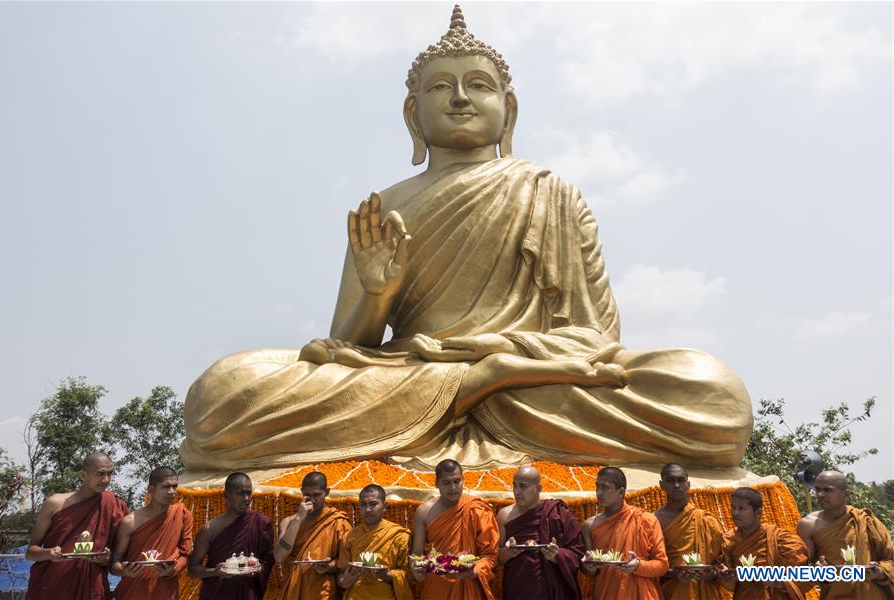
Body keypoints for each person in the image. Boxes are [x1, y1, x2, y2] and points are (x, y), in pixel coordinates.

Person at [180, 3, 752, 474]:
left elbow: (595, 339)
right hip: (408, 378)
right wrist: (378, 294)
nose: (459, 97)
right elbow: (350, 346)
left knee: (714, 393)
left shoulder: (550, 192)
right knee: (221, 392)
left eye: (478, 84)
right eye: (440, 88)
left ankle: (476, 388)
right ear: (413, 114)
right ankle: (470, 388)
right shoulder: (387, 205)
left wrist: (501, 361)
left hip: (532, 389)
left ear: (509, 110)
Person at [26, 451, 129, 600]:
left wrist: (105, 559)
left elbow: (119, 558)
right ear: (82, 475)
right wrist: (49, 554)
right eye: (100, 474)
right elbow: (30, 552)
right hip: (52, 586)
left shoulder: (113, 505)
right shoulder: (55, 504)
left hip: (91, 587)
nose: (106, 479)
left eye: (110, 474)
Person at [797, 470, 894, 598]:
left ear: (846, 494)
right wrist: (817, 570)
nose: (820, 494)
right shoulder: (808, 525)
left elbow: (891, 560)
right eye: (818, 489)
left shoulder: (865, 520)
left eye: (828, 490)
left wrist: (879, 571)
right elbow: (802, 569)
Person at [410, 459, 499, 599]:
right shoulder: (424, 512)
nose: (453, 488)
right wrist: (416, 568)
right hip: (437, 587)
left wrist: (474, 570)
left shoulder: (476, 509)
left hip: (468, 585)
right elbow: (416, 554)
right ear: (436, 484)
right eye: (446, 483)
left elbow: (490, 555)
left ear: (463, 480)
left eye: (457, 481)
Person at [497, 465, 585, 599]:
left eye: (523, 486)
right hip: (518, 590)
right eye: (514, 485)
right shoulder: (504, 516)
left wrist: (557, 556)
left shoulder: (557, 513)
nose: (517, 492)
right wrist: (508, 552)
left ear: (538, 489)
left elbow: (578, 553)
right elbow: (496, 558)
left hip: (551, 592)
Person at [581, 466, 668, 599]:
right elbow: (589, 571)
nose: (599, 492)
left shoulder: (646, 520)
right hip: (607, 593)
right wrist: (589, 567)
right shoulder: (590, 525)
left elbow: (662, 565)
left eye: (605, 487)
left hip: (643, 594)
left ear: (621, 492)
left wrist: (638, 566)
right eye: (597, 486)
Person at [111, 466, 194, 599]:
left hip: (165, 590)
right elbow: (115, 563)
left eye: (174, 486)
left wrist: (173, 569)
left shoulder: (183, 515)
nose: (172, 491)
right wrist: (124, 570)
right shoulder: (130, 522)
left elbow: (186, 554)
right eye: (166, 487)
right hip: (134, 591)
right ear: (151, 490)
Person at [189, 472, 274, 600]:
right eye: (241, 493)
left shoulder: (261, 523)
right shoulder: (209, 529)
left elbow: (268, 560)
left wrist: (257, 569)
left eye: (249, 493)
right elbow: (192, 569)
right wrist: (215, 571)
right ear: (226, 495)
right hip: (217, 594)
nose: (246, 498)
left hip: (248, 593)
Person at [717, 487, 808, 599]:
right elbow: (731, 585)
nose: (735, 513)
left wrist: (776, 582)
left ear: (758, 512)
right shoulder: (729, 539)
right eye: (733, 507)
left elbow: (802, 576)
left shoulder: (781, 539)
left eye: (742, 509)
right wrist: (727, 579)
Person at [275, 471, 352, 599]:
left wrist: (329, 566)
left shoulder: (338, 522)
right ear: (301, 492)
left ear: (326, 492)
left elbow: (346, 563)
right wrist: (299, 518)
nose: (313, 500)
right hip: (295, 590)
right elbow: (279, 556)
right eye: (307, 495)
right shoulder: (289, 522)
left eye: (317, 495)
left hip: (323, 591)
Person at [654, 463, 724, 600]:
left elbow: (722, 560)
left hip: (705, 590)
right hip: (672, 591)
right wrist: (672, 573)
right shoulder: (653, 520)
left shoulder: (705, 520)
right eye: (670, 480)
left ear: (688, 484)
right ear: (662, 485)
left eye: (681, 480)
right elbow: (650, 562)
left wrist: (711, 573)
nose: (676, 485)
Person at [336, 484, 412, 600]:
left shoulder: (399, 535)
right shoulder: (349, 537)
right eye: (363, 505)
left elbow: (409, 575)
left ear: (385, 506)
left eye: (373, 504)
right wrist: (345, 581)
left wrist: (386, 575)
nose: (367, 509)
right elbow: (341, 574)